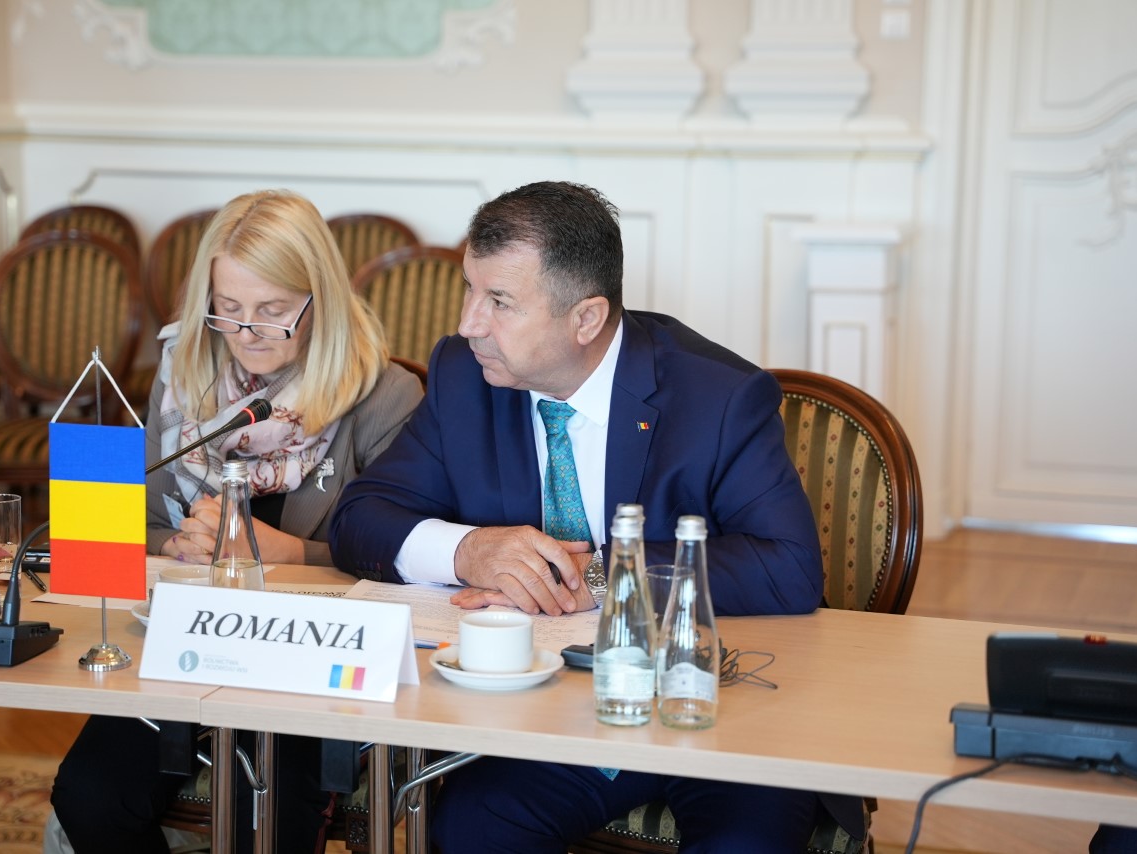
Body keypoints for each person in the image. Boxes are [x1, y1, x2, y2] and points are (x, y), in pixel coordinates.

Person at [329, 181, 865, 851]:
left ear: (586, 319)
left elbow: (790, 567)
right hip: (549, 711)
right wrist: (469, 551)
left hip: (710, 700)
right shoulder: (465, 376)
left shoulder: (718, 395)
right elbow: (359, 518)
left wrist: (606, 577)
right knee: (472, 827)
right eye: (470, 290)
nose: (469, 324)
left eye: (499, 302)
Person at [50, 189, 424, 854]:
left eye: (273, 311)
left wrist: (287, 553)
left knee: (269, 819)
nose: (246, 333)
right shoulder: (184, 372)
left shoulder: (384, 395)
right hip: (188, 640)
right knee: (88, 795)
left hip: (312, 660)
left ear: (321, 300)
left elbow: (404, 558)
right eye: (227, 307)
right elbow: (140, 524)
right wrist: (185, 545)